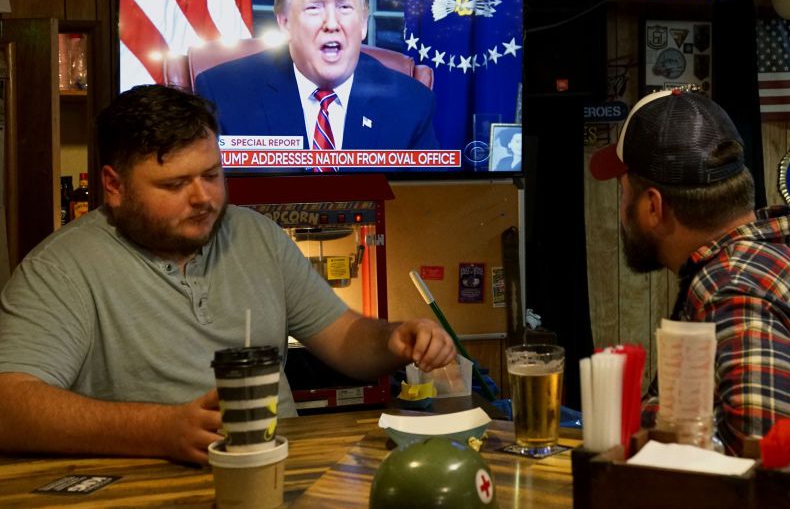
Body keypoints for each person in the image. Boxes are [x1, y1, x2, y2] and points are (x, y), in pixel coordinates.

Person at [0, 85, 455, 464]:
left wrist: (395, 339)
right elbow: (10, 406)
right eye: (175, 185)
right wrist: (162, 431)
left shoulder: (256, 235)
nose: (204, 198)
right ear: (114, 186)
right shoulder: (62, 268)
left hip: (280, 471)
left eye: (212, 175)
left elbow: (343, 337)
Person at [589, 88, 790, 456]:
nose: (620, 207)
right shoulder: (776, 250)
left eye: (623, 192)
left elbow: (771, 477)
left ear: (653, 207)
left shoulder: (734, 293)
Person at [194, 0, 438, 151]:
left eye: (344, 7)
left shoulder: (411, 103)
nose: (331, 23)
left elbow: (426, 200)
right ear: (285, 22)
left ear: (363, 23)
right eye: (314, 7)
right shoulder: (224, 93)